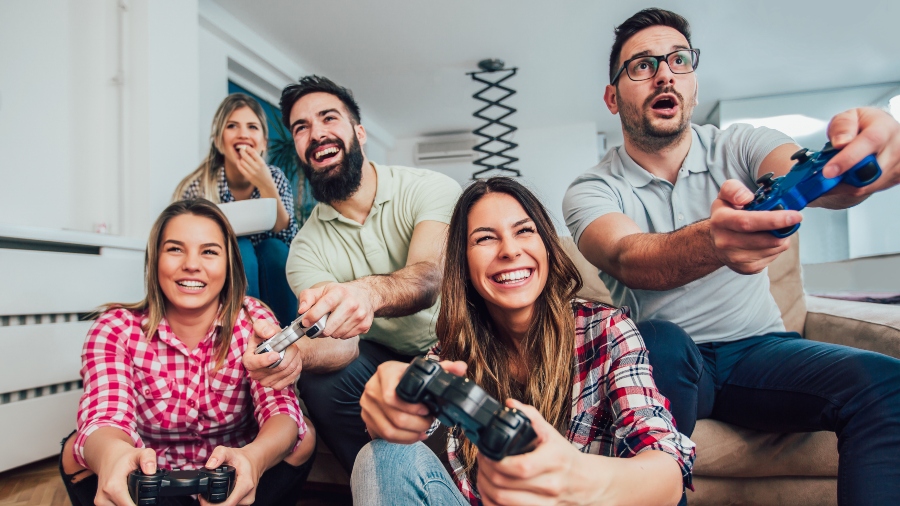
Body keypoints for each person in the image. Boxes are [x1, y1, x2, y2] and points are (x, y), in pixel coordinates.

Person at [563, 8, 900, 505]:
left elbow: (812, 182)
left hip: (759, 353)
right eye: (642, 65)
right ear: (613, 98)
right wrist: (713, 242)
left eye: (679, 61)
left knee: (886, 384)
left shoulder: (741, 144)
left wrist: (855, 167)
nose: (664, 74)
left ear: (693, 83)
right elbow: (628, 257)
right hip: (671, 363)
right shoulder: (591, 189)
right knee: (657, 339)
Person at [352, 177, 695, 506]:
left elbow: (666, 471)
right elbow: (403, 424)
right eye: (485, 238)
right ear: (464, 263)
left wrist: (575, 478)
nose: (510, 250)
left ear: (546, 246)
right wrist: (390, 403)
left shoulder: (604, 329)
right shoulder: (450, 355)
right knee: (382, 453)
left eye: (524, 231)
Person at [241, 75, 462, 473]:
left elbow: (429, 278)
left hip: (459, 338)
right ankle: (384, 477)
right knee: (320, 382)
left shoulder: (429, 188)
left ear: (358, 131)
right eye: (301, 127)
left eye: (329, 118)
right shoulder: (305, 249)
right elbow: (340, 342)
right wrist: (293, 352)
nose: (317, 133)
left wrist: (366, 294)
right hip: (379, 353)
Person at [58, 199, 316, 506]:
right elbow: (104, 416)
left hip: (236, 479)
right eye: (175, 249)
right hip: (148, 484)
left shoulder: (253, 321)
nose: (192, 264)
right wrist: (114, 457)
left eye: (209, 251)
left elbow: (281, 411)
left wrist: (253, 460)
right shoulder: (115, 328)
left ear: (229, 264)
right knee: (76, 451)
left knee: (304, 438)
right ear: (155, 261)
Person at [174, 93, 299, 326]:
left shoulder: (275, 178)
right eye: (232, 126)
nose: (243, 134)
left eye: (252, 127)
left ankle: (286, 334)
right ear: (219, 141)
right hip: (224, 268)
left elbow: (287, 234)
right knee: (241, 249)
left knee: (275, 249)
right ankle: (243, 334)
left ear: (263, 142)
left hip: (271, 264)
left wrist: (265, 184)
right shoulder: (199, 186)